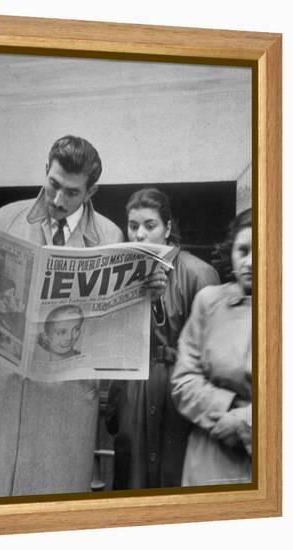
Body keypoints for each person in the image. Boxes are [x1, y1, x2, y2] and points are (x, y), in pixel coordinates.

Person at [0, 135, 124, 497]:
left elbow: (114, 329)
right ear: (45, 170)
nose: (57, 200)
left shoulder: (109, 236)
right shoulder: (6, 218)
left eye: (71, 192)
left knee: (55, 514)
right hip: (8, 395)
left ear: (91, 191)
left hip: (66, 404)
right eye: (53, 184)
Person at [106, 188, 220, 489]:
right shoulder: (120, 274)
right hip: (134, 389)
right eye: (133, 226)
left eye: (150, 225)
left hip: (178, 391)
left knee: (175, 479)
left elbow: (211, 350)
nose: (140, 234)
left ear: (168, 228)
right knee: (131, 479)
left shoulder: (199, 273)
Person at [171, 208, 252, 486]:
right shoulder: (208, 302)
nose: (251, 262)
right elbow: (183, 380)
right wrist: (228, 407)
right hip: (210, 457)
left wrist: (247, 422)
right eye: (243, 250)